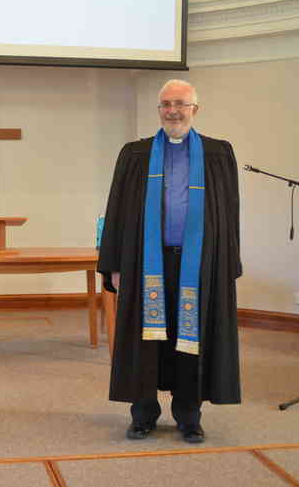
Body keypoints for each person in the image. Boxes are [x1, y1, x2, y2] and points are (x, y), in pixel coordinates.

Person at [97, 80, 241, 443]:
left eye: (180, 103)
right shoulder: (135, 154)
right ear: (158, 109)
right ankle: (143, 413)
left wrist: (228, 263)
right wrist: (114, 262)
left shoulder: (218, 154)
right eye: (165, 104)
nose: (172, 110)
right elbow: (115, 210)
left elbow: (230, 213)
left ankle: (189, 416)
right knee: (146, 339)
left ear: (195, 108)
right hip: (146, 263)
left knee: (190, 339)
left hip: (198, 265)